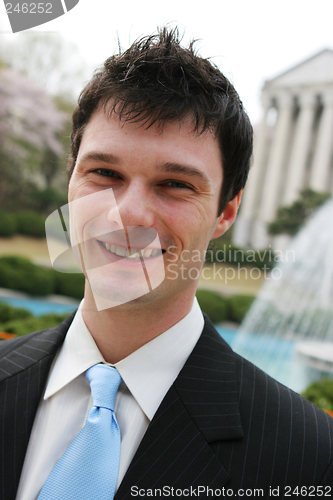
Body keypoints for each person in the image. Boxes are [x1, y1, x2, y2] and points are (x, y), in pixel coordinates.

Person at [1, 27, 332, 500]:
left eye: (175, 184)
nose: (130, 213)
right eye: (105, 173)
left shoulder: (310, 456)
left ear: (225, 213)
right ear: (71, 180)